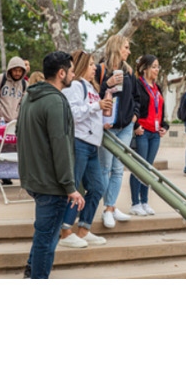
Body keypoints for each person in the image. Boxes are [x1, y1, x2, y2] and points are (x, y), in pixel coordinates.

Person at [17, 51, 86, 278]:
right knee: (47, 241)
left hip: (34, 179)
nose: (74, 76)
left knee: (43, 234)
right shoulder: (56, 101)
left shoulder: (29, 96)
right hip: (51, 184)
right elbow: (61, 145)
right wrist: (70, 187)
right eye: (72, 71)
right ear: (61, 73)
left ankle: (30, 271)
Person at [58, 50, 110, 249]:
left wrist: (102, 113)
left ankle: (83, 230)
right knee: (74, 189)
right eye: (90, 64)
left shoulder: (90, 87)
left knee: (97, 187)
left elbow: (91, 111)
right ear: (80, 67)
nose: (95, 67)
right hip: (79, 141)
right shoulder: (74, 86)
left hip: (92, 145)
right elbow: (71, 113)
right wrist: (96, 106)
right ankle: (65, 232)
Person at [94, 35, 139, 227]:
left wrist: (134, 115)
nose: (128, 51)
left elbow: (136, 97)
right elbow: (94, 94)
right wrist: (108, 84)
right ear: (116, 47)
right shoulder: (99, 70)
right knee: (105, 168)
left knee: (118, 168)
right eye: (126, 47)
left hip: (126, 126)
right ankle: (108, 208)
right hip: (108, 127)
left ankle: (110, 207)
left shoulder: (129, 71)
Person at [129, 54, 167, 216]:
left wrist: (164, 126)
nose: (157, 70)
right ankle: (135, 203)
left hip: (155, 133)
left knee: (148, 169)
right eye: (154, 66)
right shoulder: (137, 84)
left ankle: (144, 201)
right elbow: (132, 105)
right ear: (144, 69)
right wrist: (136, 125)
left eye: (158, 66)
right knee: (139, 168)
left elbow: (161, 109)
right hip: (142, 131)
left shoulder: (157, 87)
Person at [0, 56, 29, 125]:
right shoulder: (0, 79)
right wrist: (1, 111)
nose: (17, 73)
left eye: (20, 71)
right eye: (15, 70)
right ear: (10, 70)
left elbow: (24, 103)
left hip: (15, 122)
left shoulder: (24, 84)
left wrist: (16, 115)